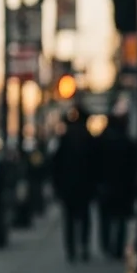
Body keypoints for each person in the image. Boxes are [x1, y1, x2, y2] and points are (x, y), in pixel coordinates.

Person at [51, 105, 96, 262]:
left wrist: (57, 186)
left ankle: (72, 249)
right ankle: (83, 246)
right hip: (84, 185)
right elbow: (96, 164)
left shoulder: (65, 140)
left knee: (70, 219)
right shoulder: (89, 139)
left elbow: (55, 165)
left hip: (69, 186)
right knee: (83, 217)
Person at [94, 110, 137, 259]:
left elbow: (94, 165)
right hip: (122, 187)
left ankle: (107, 246)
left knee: (105, 217)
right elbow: (133, 167)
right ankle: (118, 248)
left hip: (105, 186)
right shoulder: (127, 142)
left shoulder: (100, 142)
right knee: (120, 219)